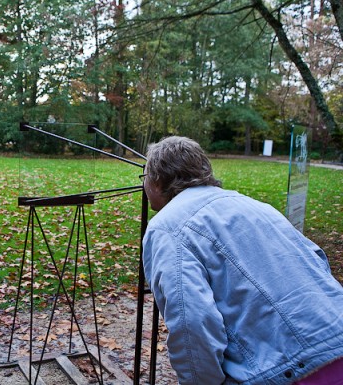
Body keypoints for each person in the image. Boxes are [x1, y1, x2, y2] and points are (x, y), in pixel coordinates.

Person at [141, 136, 343, 384]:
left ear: (158, 179)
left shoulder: (168, 227)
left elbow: (191, 321)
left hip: (291, 371)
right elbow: (318, 262)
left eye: (145, 177)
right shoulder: (257, 206)